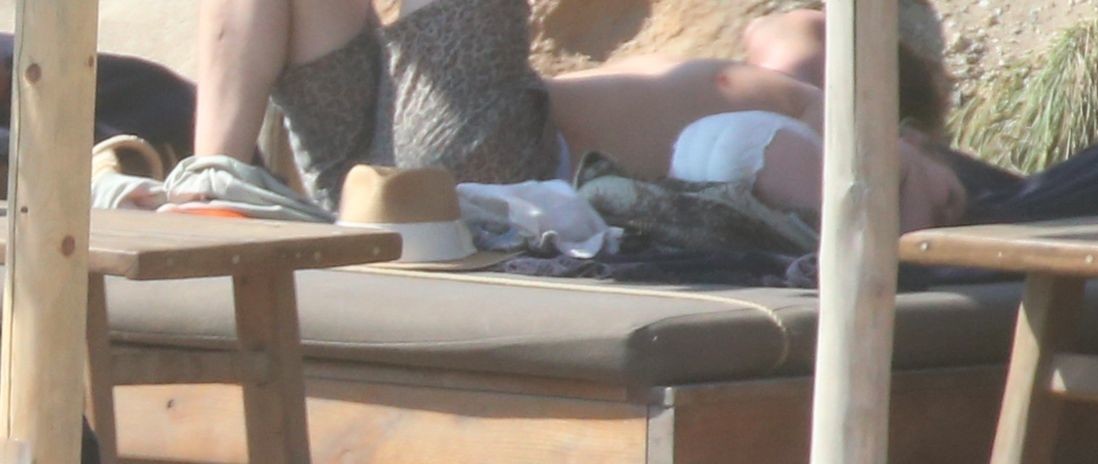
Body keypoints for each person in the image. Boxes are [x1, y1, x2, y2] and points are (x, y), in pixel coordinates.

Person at [192, 0, 968, 230]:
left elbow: (805, 39)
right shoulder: (772, 110)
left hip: (480, 165)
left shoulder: (848, 133)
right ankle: (208, 180)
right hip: (384, 177)